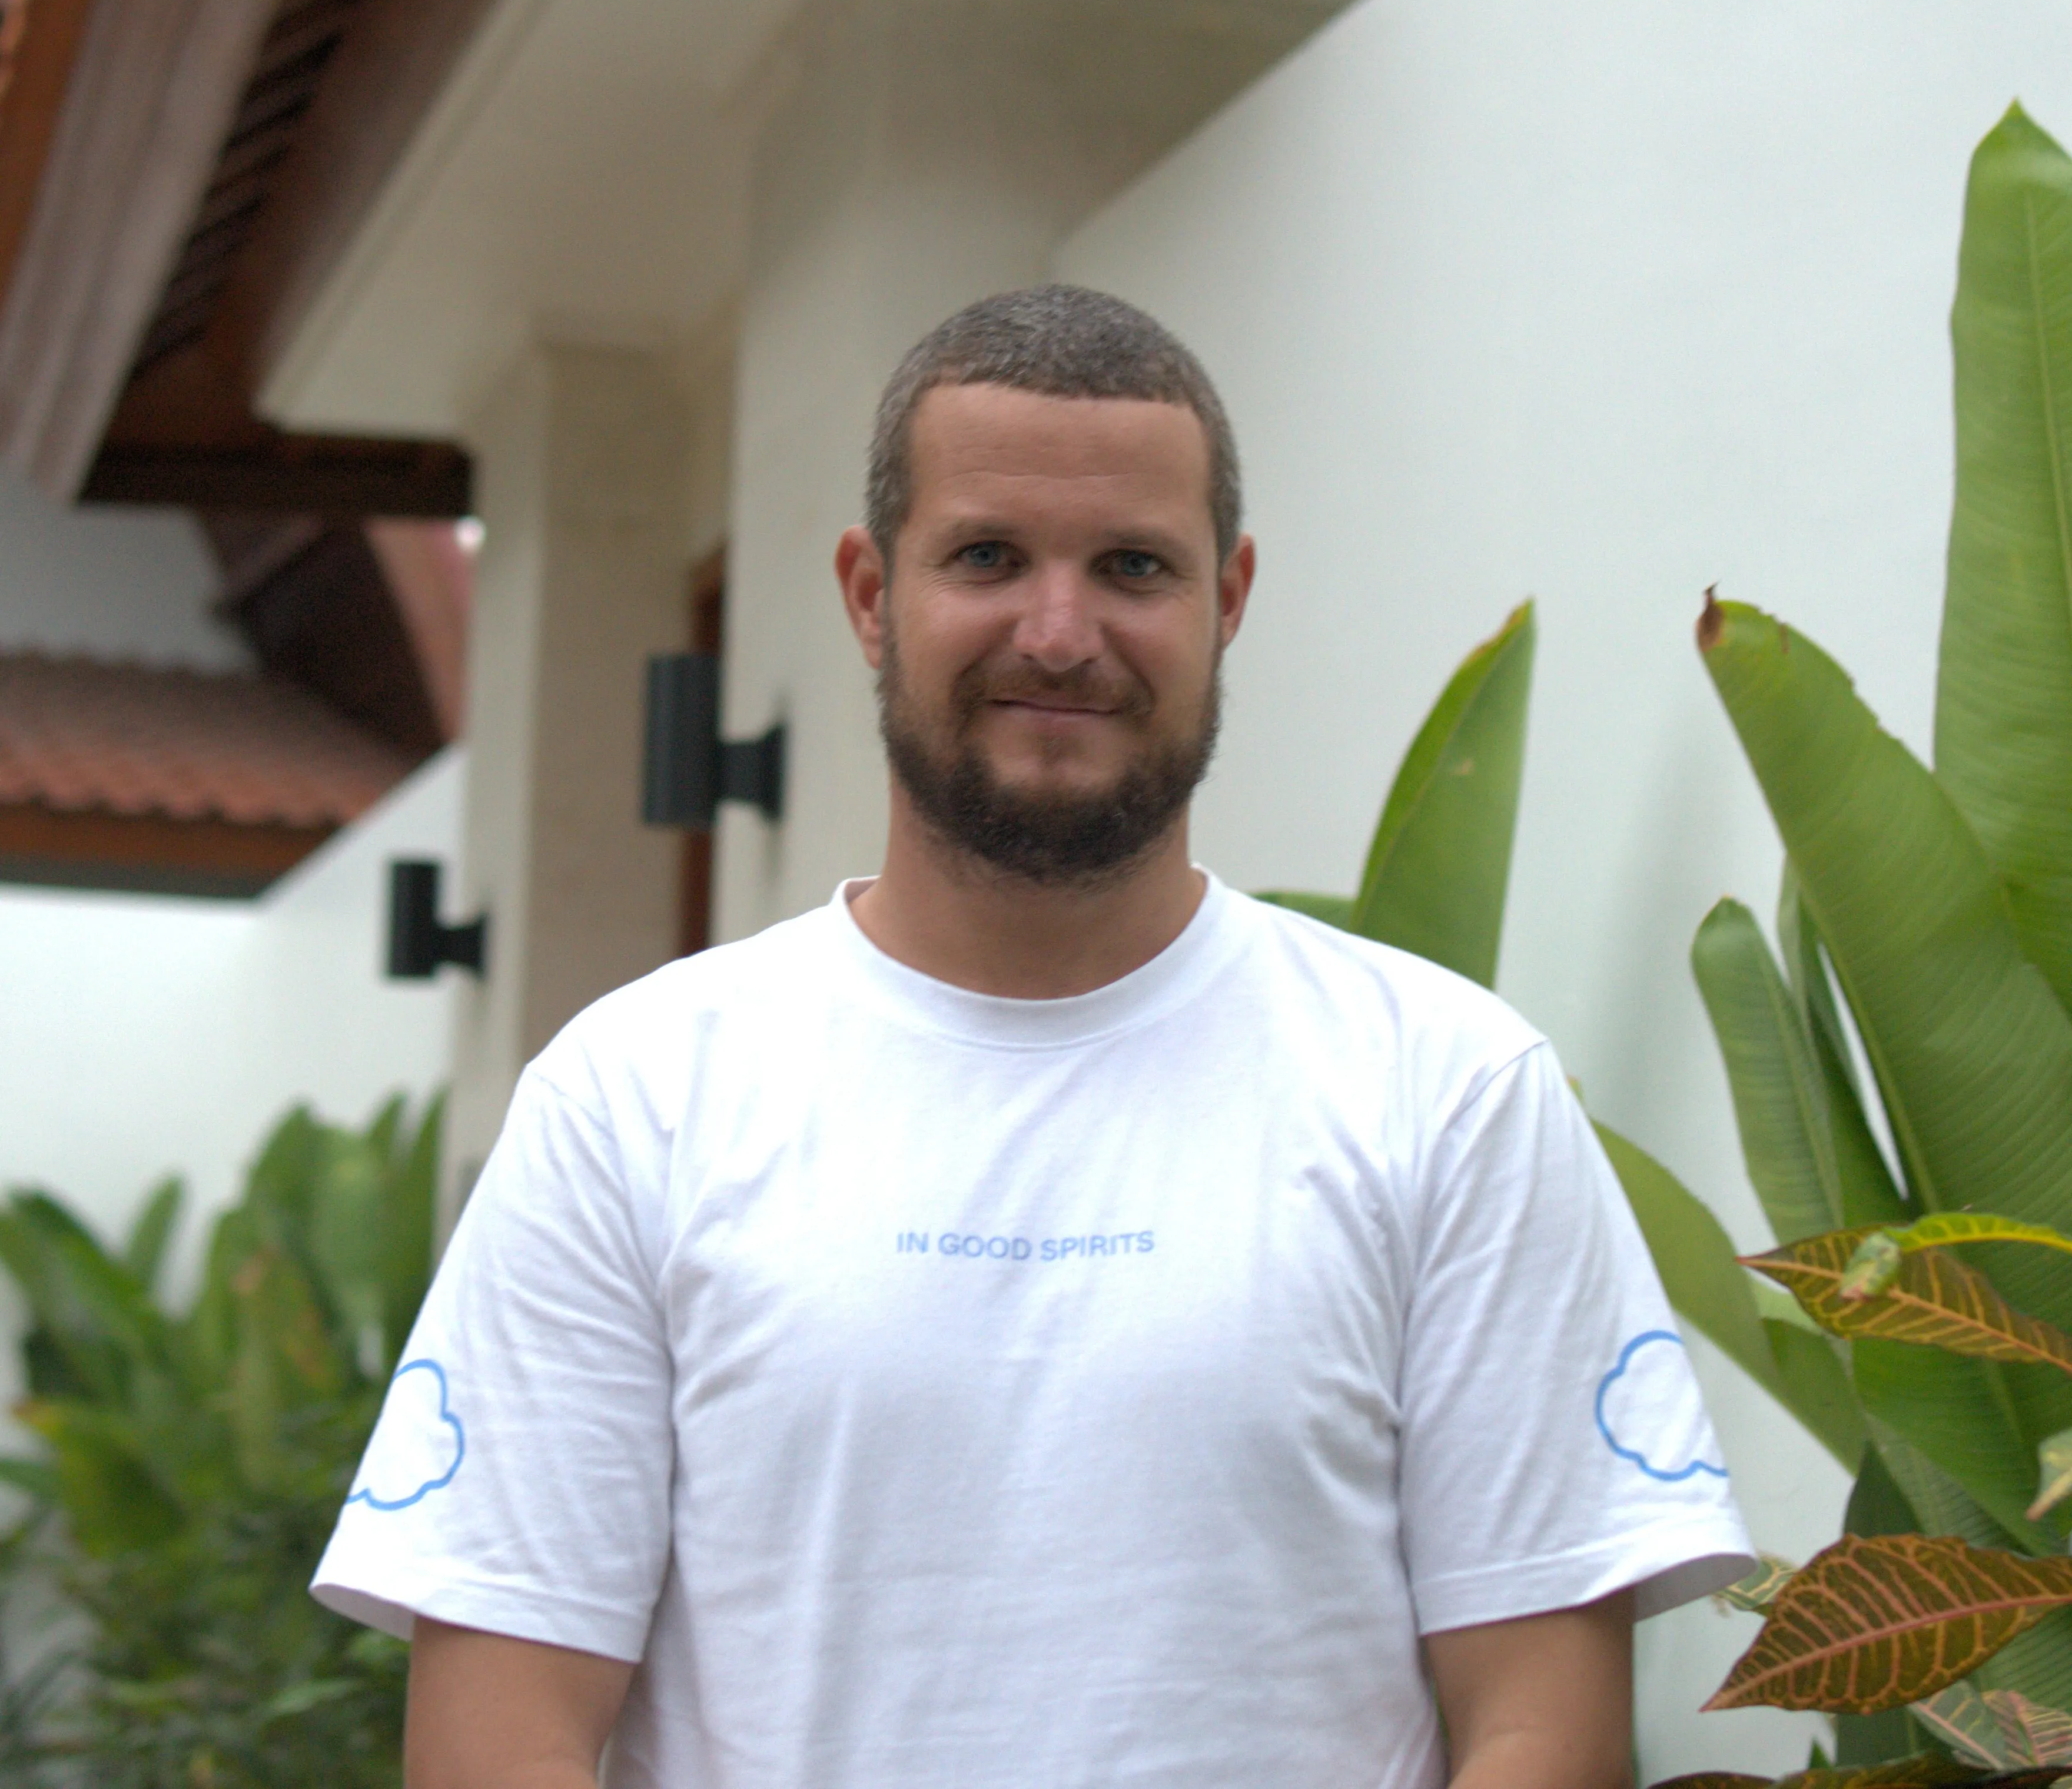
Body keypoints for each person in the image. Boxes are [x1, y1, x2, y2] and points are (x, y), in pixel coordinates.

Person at [313, 285, 1752, 1789]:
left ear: (1227, 597)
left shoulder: (1448, 1088)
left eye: (1132, 566)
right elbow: (502, 1733)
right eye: (987, 556)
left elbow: (1541, 1721)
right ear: (871, 592)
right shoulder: (634, 1095)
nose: (1058, 633)